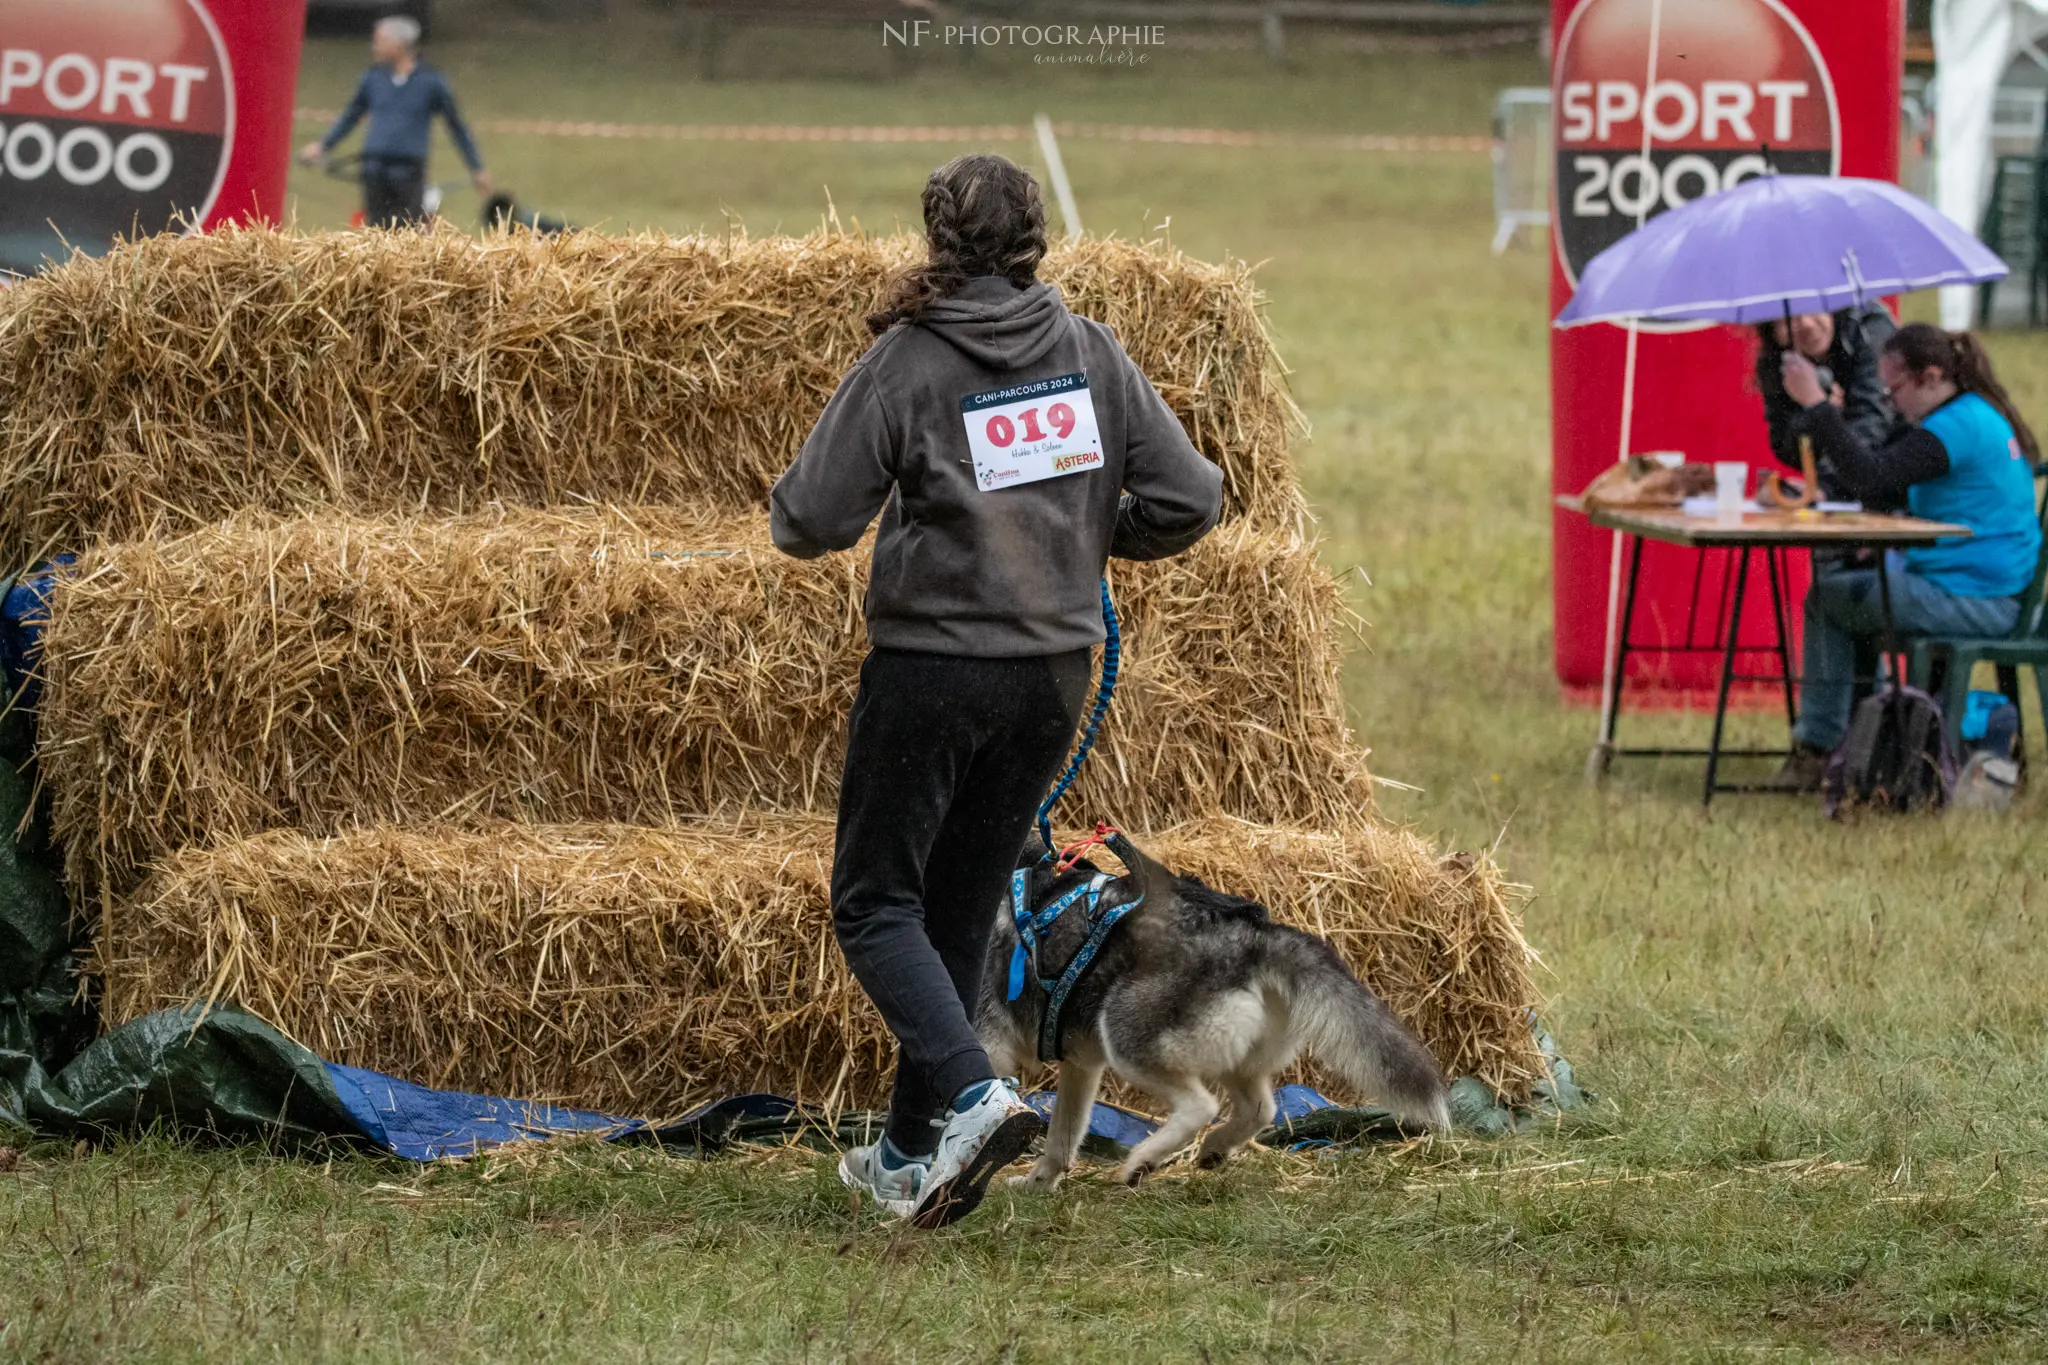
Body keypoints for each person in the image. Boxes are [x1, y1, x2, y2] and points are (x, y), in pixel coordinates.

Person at [769, 154, 1223, 1227]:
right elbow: (1190, 498)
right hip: (1050, 676)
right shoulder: (1089, 352)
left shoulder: (905, 360)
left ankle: (973, 1100)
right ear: (1035, 241)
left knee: (872, 903)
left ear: (934, 238)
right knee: (959, 914)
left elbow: (807, 521)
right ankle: (904, 1155)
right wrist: (1072, 533)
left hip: (932, 666)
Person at [1769, 323, 2043, 790]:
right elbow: (1895, 486)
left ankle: (1820, 746)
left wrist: (1816, 406)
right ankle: (1868, 741)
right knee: (1853, 586)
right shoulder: (1973, 415)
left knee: (1828, 599)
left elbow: (1875, 478)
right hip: (1987, 588)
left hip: (1978, 600)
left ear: (1931, 377)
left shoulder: (1952, 429)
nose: (1890, 401)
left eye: (1894, 388)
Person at [297, 16, 492, 228]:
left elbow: (456, 127)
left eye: (380, 41)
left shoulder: (431, 81)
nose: (374, 47)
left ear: (398, 45)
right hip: (374, 169)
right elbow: (350, 117)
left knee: (410, 230)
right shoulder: (372, 78)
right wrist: (323, 146)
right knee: (376, 231)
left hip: (409, 171)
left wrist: (476, 168)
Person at [1754, 305, 1900, 504]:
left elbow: (1873, 425)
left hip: (1895, 481)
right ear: (1772, 332)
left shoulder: (1868, 331)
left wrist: (1818, 407)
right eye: (1789, 320)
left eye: (1813, 307)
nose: (1806, 324)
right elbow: (1787, 449)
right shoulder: (1779, 363)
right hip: (1844, 485)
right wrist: (1813, 413)